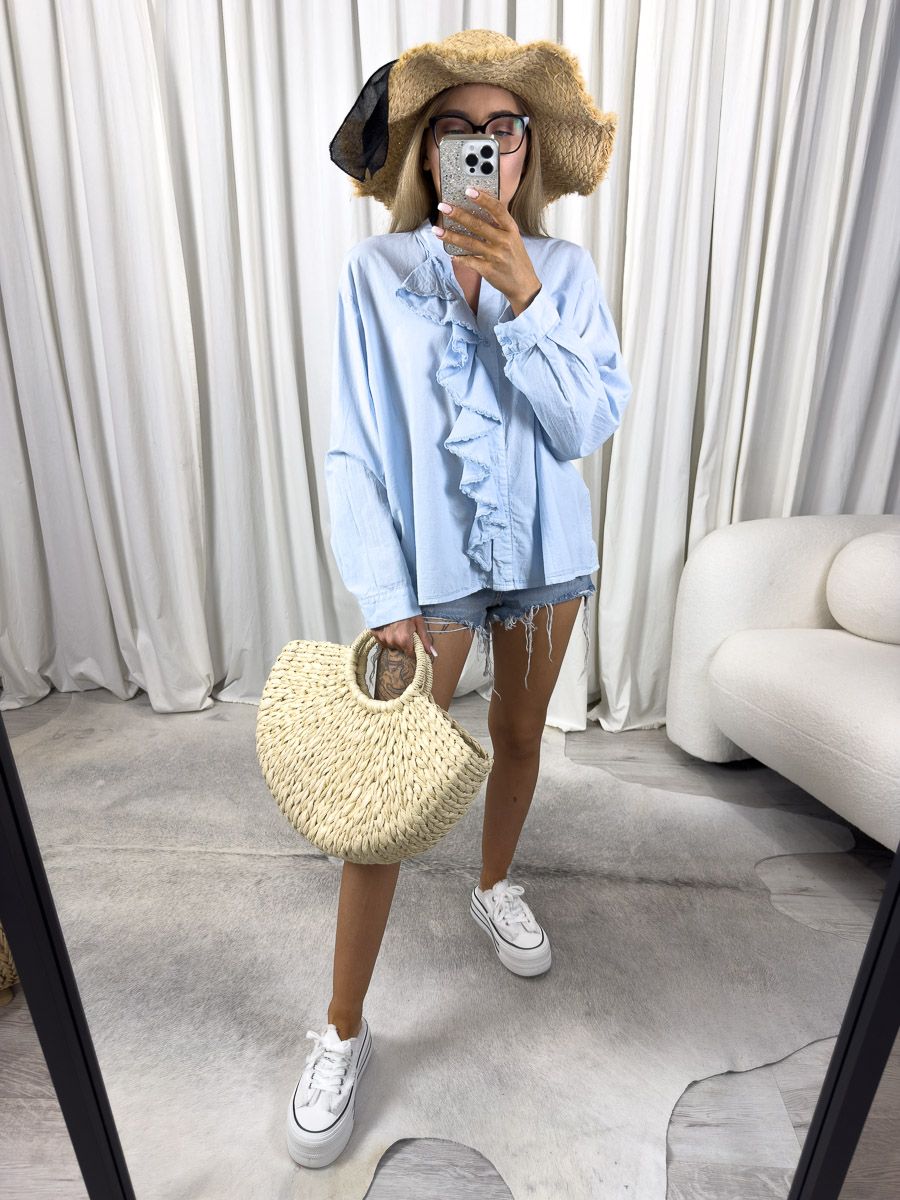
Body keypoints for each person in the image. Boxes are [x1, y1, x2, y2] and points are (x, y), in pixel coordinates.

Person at [286, 29, 633, 1169]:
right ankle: (342, 1030)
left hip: (544, 558)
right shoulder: (374, 277)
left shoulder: (565, 274)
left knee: (521, 737)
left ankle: (493, 884)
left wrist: (524, 294)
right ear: (426, 153)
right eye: (457, 129)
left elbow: (585, 426)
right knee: (385, 789)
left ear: (526, 151)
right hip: (425, 575)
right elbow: (352, 449)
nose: (484, 146)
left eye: (503, 129)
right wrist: (384, 592)